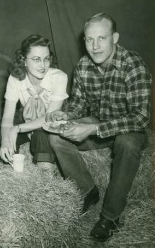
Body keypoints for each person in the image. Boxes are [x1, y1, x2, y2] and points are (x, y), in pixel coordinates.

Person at [48, 13, 152, 242]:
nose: (94, 47)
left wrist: (92, 129)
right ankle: (88, 191)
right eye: (89, 40)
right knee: (57, 136)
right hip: (99, 125)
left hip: (129, 130)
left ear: (114, 37)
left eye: (101, 39)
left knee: (127, 141)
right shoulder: (83, 65)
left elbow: (141, 118)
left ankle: (111, 216)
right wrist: (66, 114)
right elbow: (78, 101)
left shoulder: (133, 64)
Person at [0, 34, 68, 168]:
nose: (43, 65)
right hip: (27, 120)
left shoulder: (59, 77)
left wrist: (17, 128)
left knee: (41, 135)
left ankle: (46, 173)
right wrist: (5, 142)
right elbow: (7, 117)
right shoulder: (15, 78)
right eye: (36, 59)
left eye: (46, 59)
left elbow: (49, 118)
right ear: (24, 60)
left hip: (51, 125)